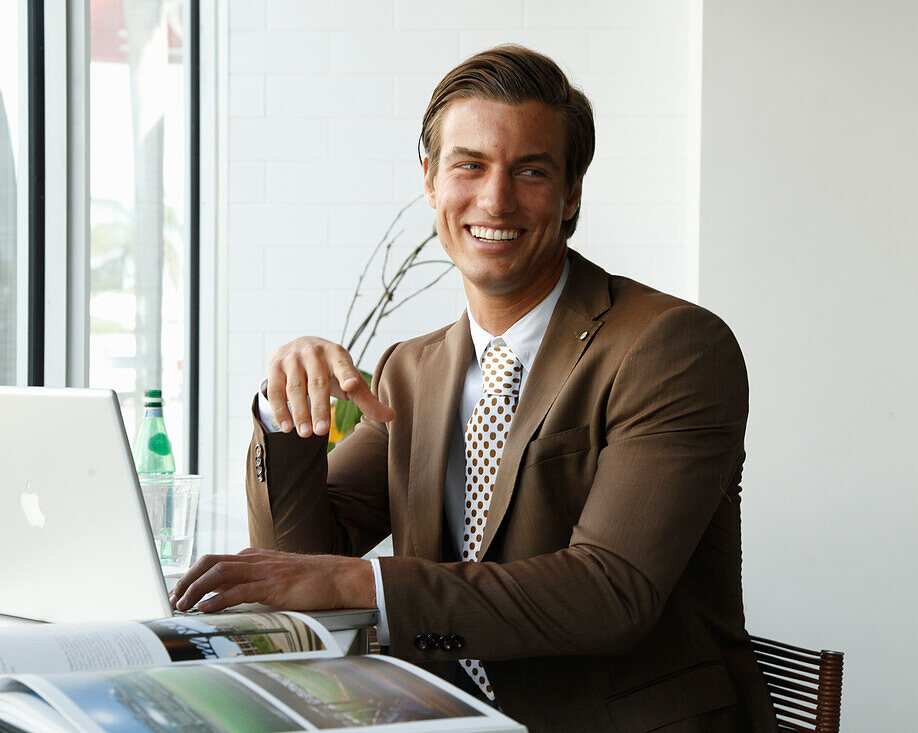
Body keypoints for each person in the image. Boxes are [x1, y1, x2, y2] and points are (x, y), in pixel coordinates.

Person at [171, 45, 777, 732]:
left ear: (572, 191)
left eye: (531, 170)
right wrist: (285, 412)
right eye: (470, 165)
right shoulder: (412, 368)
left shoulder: (671, 346)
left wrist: (357, 585)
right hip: (443, 719)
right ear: (430, 180)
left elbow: (612, 592)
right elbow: (305, 553)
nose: (495, 199)